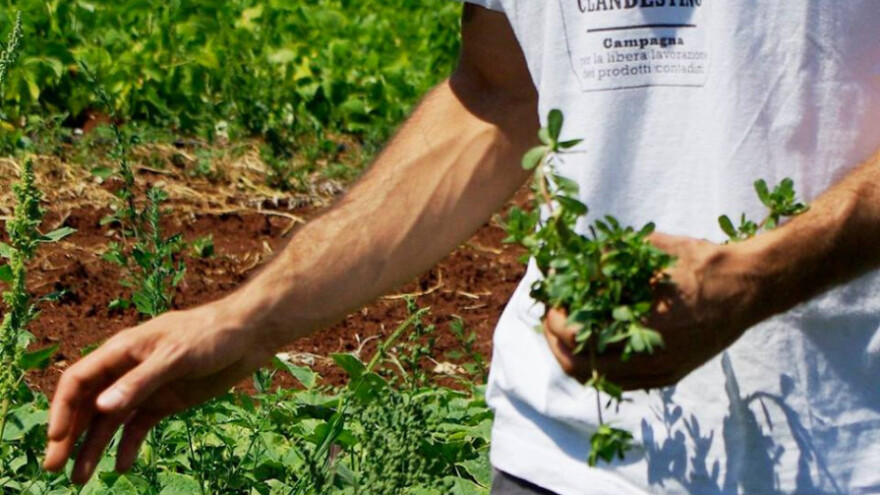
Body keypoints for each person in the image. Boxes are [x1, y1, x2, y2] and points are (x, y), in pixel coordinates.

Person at [43, 2, 880, 493]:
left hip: (843, 448)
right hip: (559, 453)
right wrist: (252, 314)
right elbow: (499, 93)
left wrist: (766, 274)